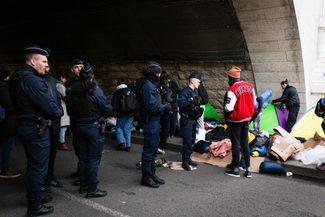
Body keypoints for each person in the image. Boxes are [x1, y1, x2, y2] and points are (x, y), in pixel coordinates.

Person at [9, 45, 63, 216]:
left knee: (35, 165)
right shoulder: (32, 80)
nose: (47, 64)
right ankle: (34, 205)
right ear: (33, 61)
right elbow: (52, 109)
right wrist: (58, 111)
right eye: (44, 61)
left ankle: (37, 196)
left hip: (26, 125)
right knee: (38, 168)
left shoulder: (18, 76)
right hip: (36, 128)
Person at [66, 63, 112, 198]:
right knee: (93, 159)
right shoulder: (94, 89)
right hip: (92, 126)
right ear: (92, 75)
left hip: (78, 126)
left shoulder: (72, 88)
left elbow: (69, 109)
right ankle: (92, 188)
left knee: (83, 158)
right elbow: (106, 108)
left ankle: (83, 185)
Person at [137, 61, 171, 188]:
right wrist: (165, 107)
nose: (160, 75)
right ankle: (146, 176)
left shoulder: (151, 84)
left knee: (152, 150)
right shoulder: (148, 86)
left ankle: (151, 173)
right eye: (159, 73)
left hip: (154, 120)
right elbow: (152, 106)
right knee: (149, 150)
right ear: (155, 73)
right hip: (150, 120)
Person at [224, 66, 255, 178]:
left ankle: (236, 169)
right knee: (245, 144)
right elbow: (254, 103)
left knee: (236, 144)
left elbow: (228, 107)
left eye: (228, 78)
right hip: (246, 120)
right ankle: (248, 169)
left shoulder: (232, 90)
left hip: (235, 121)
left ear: (232, 78)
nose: (228, 80)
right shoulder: (250, 86)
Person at [178, 72, 204, 171]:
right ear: (192, 81)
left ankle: (188, 158)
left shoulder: (195, 91)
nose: (199, 83)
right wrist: (191, 99)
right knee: (187, 141)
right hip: (186, 119)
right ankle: (185, 162)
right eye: (198, 81)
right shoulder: (185, 91)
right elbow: (180, 103)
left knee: (192, 140)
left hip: (193, 119)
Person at [44, 64, 64, 189]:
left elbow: (57, 98)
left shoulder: (51, 80)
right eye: (44, 62)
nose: (46, 67)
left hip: (54, 124)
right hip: (42, 125)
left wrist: (59, 111)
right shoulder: (32, 81)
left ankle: (49, 177)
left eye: (47, 64)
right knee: (41, 156)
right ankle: (41, 182)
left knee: (52, 153)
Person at [0, 66, 21, 178]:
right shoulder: (4, 88)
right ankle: (5, 169)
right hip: (7, 123)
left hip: (3, 122)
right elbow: (9, 106)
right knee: (7, 146)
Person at [66, 58, 83, 183]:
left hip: (85, 120)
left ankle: (84, 174)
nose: (80, 69)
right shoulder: (71, 84)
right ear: (72, 69)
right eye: (77, 67)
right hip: (75, 120)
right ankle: (81, 170)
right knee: (78, 148)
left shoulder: (89, 82)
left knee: (85, 149)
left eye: (81, 66)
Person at [112, 78, 135, 152]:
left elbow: (114, 104)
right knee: (127, 129)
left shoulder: (117, 92)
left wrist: (114, 113)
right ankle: (128, 146)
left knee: (119, 128)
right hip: (130, 114)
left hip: (121, 114)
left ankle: (122, 143)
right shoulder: (130, 91)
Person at [157, 71, 173, 155]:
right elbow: (169, 99)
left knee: (159, 129)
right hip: (165, 111)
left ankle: (158, 146)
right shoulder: (166, 88)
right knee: (165, 130)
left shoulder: (157, 86)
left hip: (159, 110)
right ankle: (161, 147)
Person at [56, 73, 70, 151]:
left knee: (62, 126)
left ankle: (61, 141)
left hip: (60, 106)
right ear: (61, 77)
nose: (66, 80)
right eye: (65, 78)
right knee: (63, 126)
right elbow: (66, 96)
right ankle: (62, 143)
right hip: (62, 106)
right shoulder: (60, 85)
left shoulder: (55, 84)